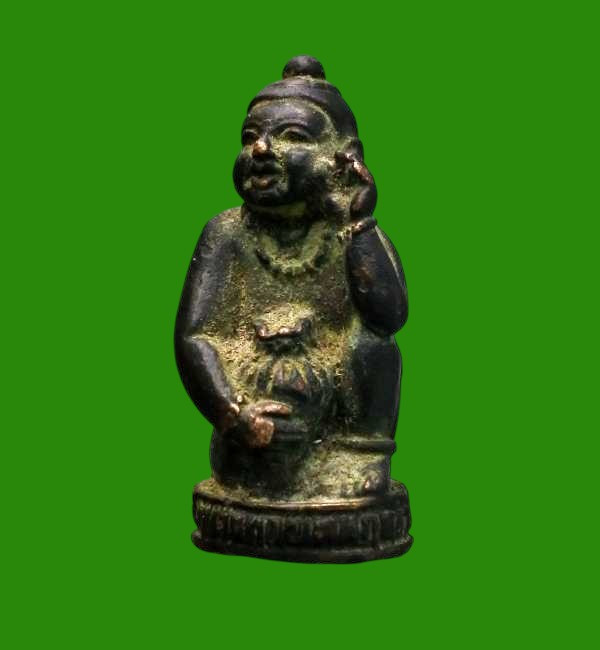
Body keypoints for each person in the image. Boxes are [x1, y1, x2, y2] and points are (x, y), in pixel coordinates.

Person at [175, 56, 408, 498]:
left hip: (336, 417)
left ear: (344, 159)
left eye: (292, 137)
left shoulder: (350, 232)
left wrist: (359, 223)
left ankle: (363, 453)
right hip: (252, 415)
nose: (261, 150)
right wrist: (234, 415)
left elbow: (389, 316)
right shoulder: (226, 234)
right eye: (250, 138)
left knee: (373, 343)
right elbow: (196, 337)